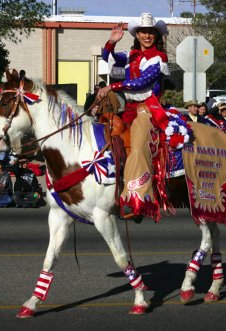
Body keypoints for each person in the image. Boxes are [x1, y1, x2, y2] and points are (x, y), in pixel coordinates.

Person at [97, 13, 173, 221]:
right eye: (143, 32)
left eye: (151, 32)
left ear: (156, 35)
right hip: (129, 107)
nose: (147, 35)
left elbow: (142, 83)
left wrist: (113, 86)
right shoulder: (131, 55)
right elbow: (107, 57)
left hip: (148, 108)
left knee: (138, 147)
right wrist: (111, 42)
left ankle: (138, 199)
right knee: (104, 135)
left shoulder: (159, 57)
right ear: (137, 34)